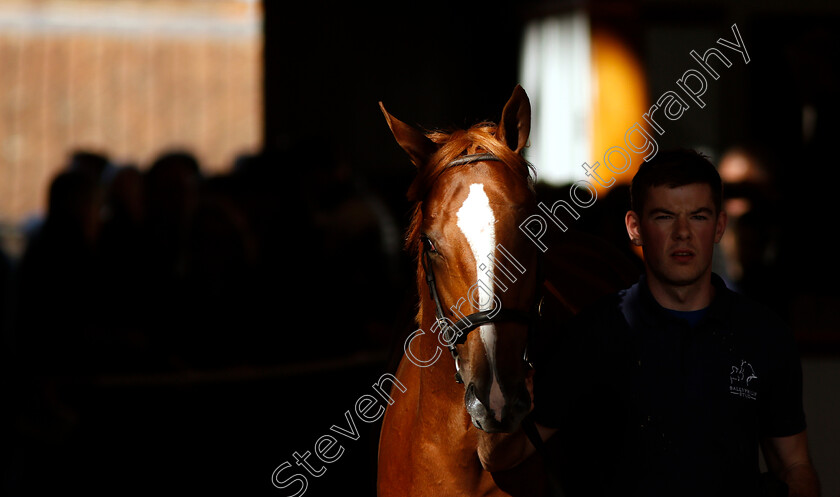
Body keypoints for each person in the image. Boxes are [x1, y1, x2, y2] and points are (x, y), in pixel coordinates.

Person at [478, 149, 820, 497]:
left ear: (719, 226)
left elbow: (794, 466)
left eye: (698, 217)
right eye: (665, 217)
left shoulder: (764, 334)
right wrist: (504, 406)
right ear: (635, 227)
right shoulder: (593, 334)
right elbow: (504, 456)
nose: (683, 233)